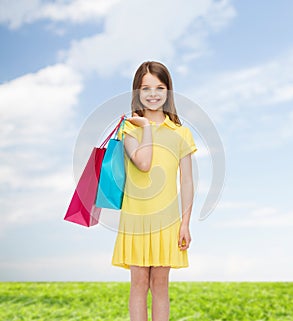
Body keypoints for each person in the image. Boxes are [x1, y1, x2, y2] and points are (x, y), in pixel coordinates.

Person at [112, 61, 197, 321]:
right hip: (136, 217)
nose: (153, 94)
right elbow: (144, 163)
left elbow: (188, 181)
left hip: (167, 219)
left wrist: (185, 223)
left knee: (160, 285)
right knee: (139, 283)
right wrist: (146, 128)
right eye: (146, 88)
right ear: (137, 91)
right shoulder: (129, 128)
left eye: (160, 87)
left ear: (168, 91)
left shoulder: (181, 132)